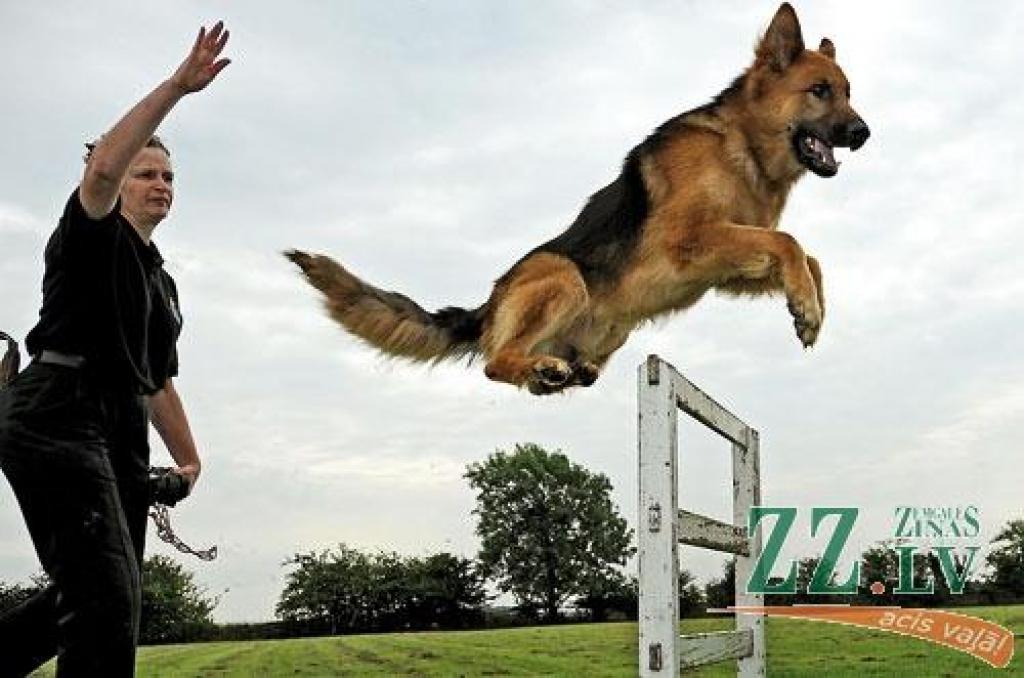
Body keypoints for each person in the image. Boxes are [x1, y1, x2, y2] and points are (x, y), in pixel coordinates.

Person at [0, 22, 230, 677]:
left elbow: (157, 382)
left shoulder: (161, 283)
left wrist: (190, 461)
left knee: (102, 597)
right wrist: (178, 87)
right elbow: (102, 164)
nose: (162, 184)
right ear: (117, 182)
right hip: (56, 412)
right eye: (146, 173)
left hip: (119, 424)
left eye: (169, 176)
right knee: (104, 600)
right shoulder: (91, 232)